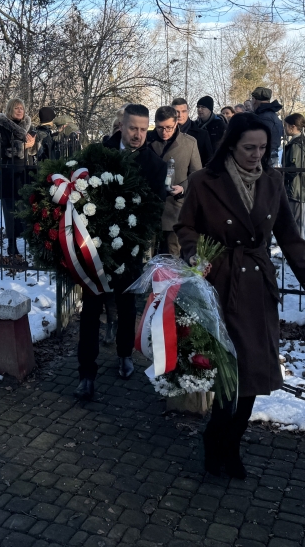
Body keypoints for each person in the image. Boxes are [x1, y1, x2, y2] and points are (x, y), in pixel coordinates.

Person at [174, 113, 305, 479]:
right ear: (231, 145)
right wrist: (194, 254)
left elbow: (289, 235)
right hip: (220, 283)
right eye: (249, 147)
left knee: (253, 375)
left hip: (257, 286)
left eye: (262, 147)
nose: (256, 154)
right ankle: (215, 438)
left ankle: (232, 444)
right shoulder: (204, 180)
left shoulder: (272, 181)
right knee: (228, 373)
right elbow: (186, 225)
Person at [76, 104, 167, 401]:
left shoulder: (154, 165)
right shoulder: (98, 155)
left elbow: (154, 210)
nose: (138, 135)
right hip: (94, 247)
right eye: (133, 128)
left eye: (143, 129)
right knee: (91, 309)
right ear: (121, 126)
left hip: (129, 248)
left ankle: (124, 354)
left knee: (127, 305)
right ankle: (86, 373)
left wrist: (132, 232)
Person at [147, 105, 201, 256]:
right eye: (160, 128)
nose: (164, 132)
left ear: (176, 123)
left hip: (175, 210)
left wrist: (183, 188)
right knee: (147, 259)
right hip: (149, 209)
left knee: (174, 257)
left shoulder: (189, 143)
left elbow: (197, 175)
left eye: (169, 128)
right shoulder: (146, 141)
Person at [0, 98, 37, 256]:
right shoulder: (3, 128)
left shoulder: (29, 127)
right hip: (10, 174)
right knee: (11, 210)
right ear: (10, 110)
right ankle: (12, 245)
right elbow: (2, 151)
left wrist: (33, 145)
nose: (20, 111)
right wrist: (22, 146)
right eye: (16, 108)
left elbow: (35, 150)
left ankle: (31, 242)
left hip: (26, 173)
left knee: (27, 209)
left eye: (22, 108)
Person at [282, 113, 305, 236]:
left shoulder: (297, 145)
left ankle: (298, 247)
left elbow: (294, 168)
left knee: (296, 225)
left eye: (286, 125)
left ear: (293, 127)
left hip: (295, 190)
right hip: (297, 188)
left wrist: (281, 176)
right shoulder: (299, 142)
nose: (284, 128)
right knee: (296, 224)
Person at [172, 97, 213, 164]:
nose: (180, 115)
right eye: (177, 112)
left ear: (188, 111)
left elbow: (208, 161)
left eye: (183, 111)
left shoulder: (202, 135)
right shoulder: (163, 131)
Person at [250, 87, 285, 163]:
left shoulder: (263, 117)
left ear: (254, 100)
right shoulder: (273, 115)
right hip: (270, 155)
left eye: (252, 99)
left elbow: (258, 139)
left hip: (264, 157)